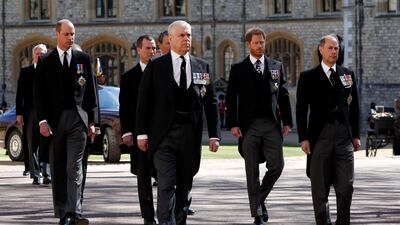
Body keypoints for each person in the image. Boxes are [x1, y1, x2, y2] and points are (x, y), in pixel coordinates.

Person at [135, 20, 220, 225]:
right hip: (163, 135)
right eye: (182, 36)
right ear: (170, 39)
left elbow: (210, 102)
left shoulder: (202, 66)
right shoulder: (156, 66)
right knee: (166, 183)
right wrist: (141, 134)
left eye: (189, 35)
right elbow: (143, 101)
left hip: (190, 135)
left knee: (184, 186)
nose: (186, 39)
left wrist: (214, 135)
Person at [225, 27, 292, 225]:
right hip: (249, 127)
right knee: (251, 171)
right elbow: (230, 97)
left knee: (277, 166)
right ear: (248, 45)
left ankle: (258, 200)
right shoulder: (238, 69)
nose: (260, 45)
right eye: (256, 43)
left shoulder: (276, 66)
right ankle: (257, 215)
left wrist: (287, 121)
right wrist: (232, 124)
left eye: (262, 42)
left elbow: (283, 95)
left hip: (271, 124)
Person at [34, 19, 98, 225]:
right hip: (55, 122)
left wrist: (93, 122)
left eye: (73, 34)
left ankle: (75, 212)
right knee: (59, 167)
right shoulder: (45, 60)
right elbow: (39, 95)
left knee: (75, 166)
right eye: (67, 34)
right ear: (57, 34)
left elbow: (91, 94)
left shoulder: (83, 58)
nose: (71, 38)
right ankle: (62, 213)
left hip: (78, 120)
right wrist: (42, 121)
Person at [296, 34, 360, 225]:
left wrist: (356, 135)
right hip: (319, 137)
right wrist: (303, 138)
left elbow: (354, 107)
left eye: (336, 48)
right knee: (320, 188)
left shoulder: (347, 74)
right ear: (321, 49)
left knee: (346, 186)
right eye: (330, 48)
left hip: (343, 136)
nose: (334, 51)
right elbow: (300, 109)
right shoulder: (308, 77)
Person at [119, 35, 157, 225]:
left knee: (165, 174)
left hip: (160, 134)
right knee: (143, 177)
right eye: (148, 48)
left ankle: (169, 210)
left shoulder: (163, 73)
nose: (152, 51)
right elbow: (124, 107)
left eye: (154, 48)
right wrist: (126, 132)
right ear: (138, 50)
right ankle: (148, 217)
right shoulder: (128, 77)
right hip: (138, 133)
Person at [16, 44, 51, 185]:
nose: (40, 55)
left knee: (47, 143)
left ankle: (47, 174)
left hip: (47, 113)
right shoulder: (26, 72)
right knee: (33, 144)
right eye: (37, 53)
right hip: (31, 113)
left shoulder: (51, 72)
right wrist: (19, 113)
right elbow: (20, 95)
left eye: (43, 53)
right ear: (33, 56)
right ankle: (36, 175)